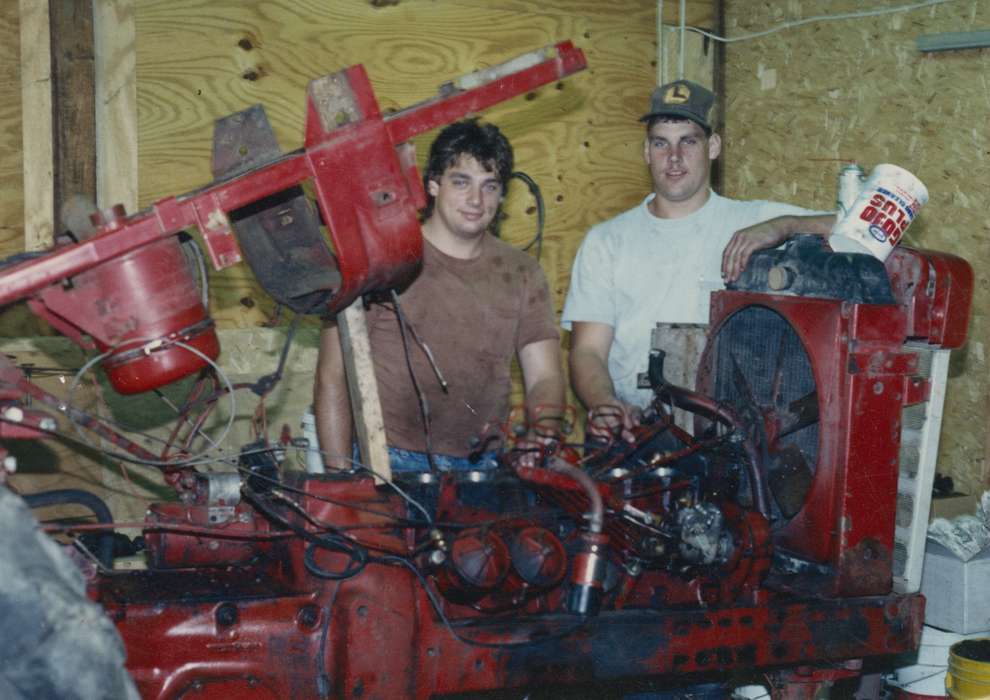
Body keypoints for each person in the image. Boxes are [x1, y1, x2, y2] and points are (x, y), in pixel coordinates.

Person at [562, 79, 835, 439]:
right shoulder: (607, 241)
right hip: (635, 431)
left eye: (688, 141)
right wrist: (605, 404)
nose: (673, 158)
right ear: (646, 151)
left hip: (729, 436)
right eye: (661, 143)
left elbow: (873, 229)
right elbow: (588, 352)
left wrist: (784, 227)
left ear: (714, 146)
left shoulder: (751, 220)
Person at [315, 119, 565, 476]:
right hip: (386, 463)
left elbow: (545, 377)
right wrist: (340, 480)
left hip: (486, 467)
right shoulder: (380, 261)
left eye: (490, 186)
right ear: (432, 184)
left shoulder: (522, 271)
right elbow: (332, 375)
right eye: (461, 182)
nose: (476, 200)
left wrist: (540, 434)